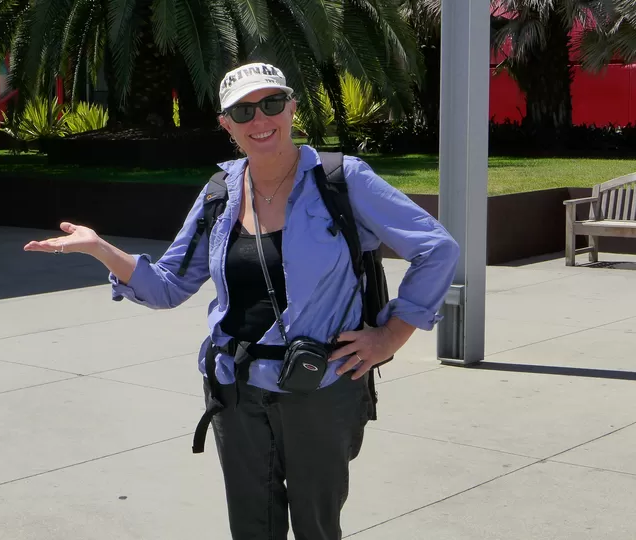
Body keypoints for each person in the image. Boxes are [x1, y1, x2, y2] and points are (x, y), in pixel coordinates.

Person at [24, 62, 460, 540]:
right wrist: (99, 248)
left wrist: (391, 336)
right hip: (234, 388)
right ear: (226, 124)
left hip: (319, 388)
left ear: (292, 108)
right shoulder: (220, 194)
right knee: (252, 528)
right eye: (243, 110)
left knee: (318, 526)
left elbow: (436, 248)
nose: (260, 119)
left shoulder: (341, 180)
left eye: (272, 104)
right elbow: (168, 286)